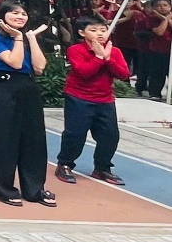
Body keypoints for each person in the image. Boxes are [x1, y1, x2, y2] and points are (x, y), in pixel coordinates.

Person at [0, 1, 53, 207]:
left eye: (23, 13)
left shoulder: (27, 37)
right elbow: (15, 62)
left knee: (34, 140)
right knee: (4, 139)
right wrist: (19, 38)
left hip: (28, 88)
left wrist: (30, 38)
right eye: (14, 13)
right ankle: (4, 188)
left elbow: (39, 68)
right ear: (2, 16)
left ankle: (34, 189)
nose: (20, 17)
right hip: (4, 87)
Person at [55, 15, 130, 186]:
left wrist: (108, 59)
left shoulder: (114, 51)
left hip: (105, 99)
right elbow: (84, 72)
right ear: (82, 33)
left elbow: (124, 74)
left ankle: (102, 168)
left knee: (110, 136)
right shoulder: (75, 50)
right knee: (75, 134)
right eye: (94, 30)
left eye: (103, 30)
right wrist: (98, 57)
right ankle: (65, 164)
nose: (100, 34)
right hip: (78, 97)